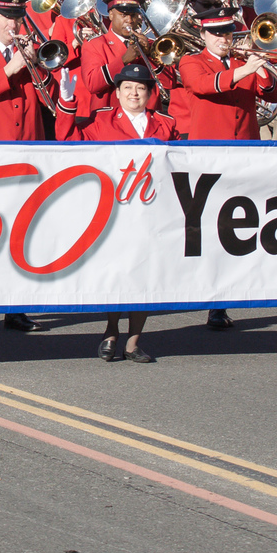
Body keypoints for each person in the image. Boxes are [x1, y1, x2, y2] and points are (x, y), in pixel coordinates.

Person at [81, 66, 170, 363]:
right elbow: (73, 148)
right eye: (128, 88)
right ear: (117, 92)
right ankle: (110, 331)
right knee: (117, 273)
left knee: (144, 274)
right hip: (115, 208)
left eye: (141, 88)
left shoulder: (166, 124)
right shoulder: (101, 121)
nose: (134, 94)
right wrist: (67, 103)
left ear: (149, 93)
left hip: (151, 209)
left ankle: (134, 340)